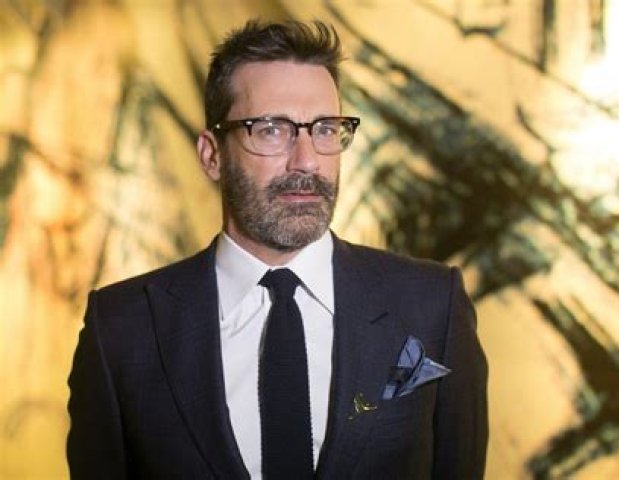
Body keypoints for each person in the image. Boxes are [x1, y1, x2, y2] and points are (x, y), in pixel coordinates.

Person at [67, 19, 488, 480]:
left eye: (325, 129)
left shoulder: (432, 305)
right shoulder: (121, 330)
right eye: (271, 129)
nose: (307, 161)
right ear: (212, 155)